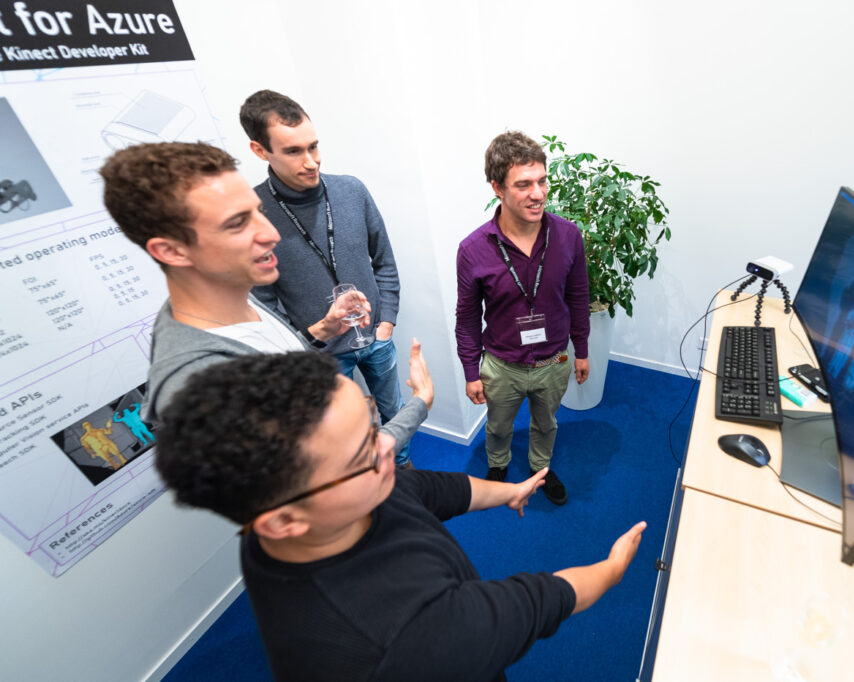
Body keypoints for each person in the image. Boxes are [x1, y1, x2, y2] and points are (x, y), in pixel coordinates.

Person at [154, 349, 645, 682]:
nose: (387, 449)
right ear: (282, 522)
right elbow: (537, 602)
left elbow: (435, 489)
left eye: (373, 428)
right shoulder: (398, 637)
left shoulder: (321, 508)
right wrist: (613, 569)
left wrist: (510, 490)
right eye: (362, 455)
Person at [98, 142, 375, 423]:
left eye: (259, 212)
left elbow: (271, 362)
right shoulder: (197, 391)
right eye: (238, 223)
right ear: (172, 251)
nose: (272, 235)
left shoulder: (237, 295)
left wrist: (323, 330)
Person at [238, 90, 413, 469]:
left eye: (314, 146)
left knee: (395, 414)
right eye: (294, 151)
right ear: (259, 150)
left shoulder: (351, 190)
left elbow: (384, 259)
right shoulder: (254, 214)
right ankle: (369, 489)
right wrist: (310, 342)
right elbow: (264, 306)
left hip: (376, 338)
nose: (311, 161)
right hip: (322, 356)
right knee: (345, 436)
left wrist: (387, 322)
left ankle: (403, 472)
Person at [455, 131, 590, 505]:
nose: (539, 193)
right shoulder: (472, 250)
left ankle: (539, 468)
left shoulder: (568, 236)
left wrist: (581, 349)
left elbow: (579, 297)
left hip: (554, 359)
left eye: (542, 180)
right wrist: (470, 371)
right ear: (497, 187)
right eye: (524, 184)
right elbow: (467, 317)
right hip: (501, 365)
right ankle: (498, 464)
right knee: (498, 427)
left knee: (546, 423)